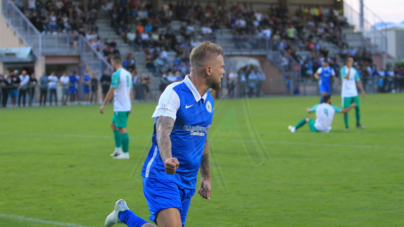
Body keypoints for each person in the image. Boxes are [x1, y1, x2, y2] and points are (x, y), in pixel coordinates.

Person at [104, 41, 224, 227]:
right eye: (221, 67)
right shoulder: (174, 92)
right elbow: (162, 130)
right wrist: (168, 158)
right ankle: (125, 216)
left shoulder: (208, 100)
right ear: (208, 70)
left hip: (188, 181)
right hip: (162, 175)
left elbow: (202, 138)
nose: (223, 72)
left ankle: (123, 214)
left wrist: (206, 177)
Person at [100, 55, 133, 159]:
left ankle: (125, 153)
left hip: (121, 106)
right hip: (126, 105)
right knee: (113, 125)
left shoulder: (116, 74)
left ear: (113, 62)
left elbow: (111, 90)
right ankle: (118, 150)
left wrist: (104, 104)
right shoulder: (128, 74)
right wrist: (130, 104)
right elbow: (131, 90)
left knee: (122, 128)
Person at [288, 95, 357, 133]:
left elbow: (309, 111)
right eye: (331, 99)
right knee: (316, 119)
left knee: (307, 118)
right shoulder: (333, 107)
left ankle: (294, 129)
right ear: (328, 100)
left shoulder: (318, 106)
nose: (332, 100)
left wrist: (308, 108)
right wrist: (351, 106)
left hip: (318, 129)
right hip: (327, 130)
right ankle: (294, 128)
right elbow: (344, 111)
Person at [340, 57, 366, 130]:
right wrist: (348, 69)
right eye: (350, 61)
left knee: (357, 108)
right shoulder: (343, 70)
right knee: (346, 109)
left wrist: (362, 90)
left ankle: (358, 124)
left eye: (352, 61)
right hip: (346, 93)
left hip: (354, 92)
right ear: (346, 62)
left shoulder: (354, 70)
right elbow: (347, 77)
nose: (351, 62)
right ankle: (347, 126)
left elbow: (357, 81)